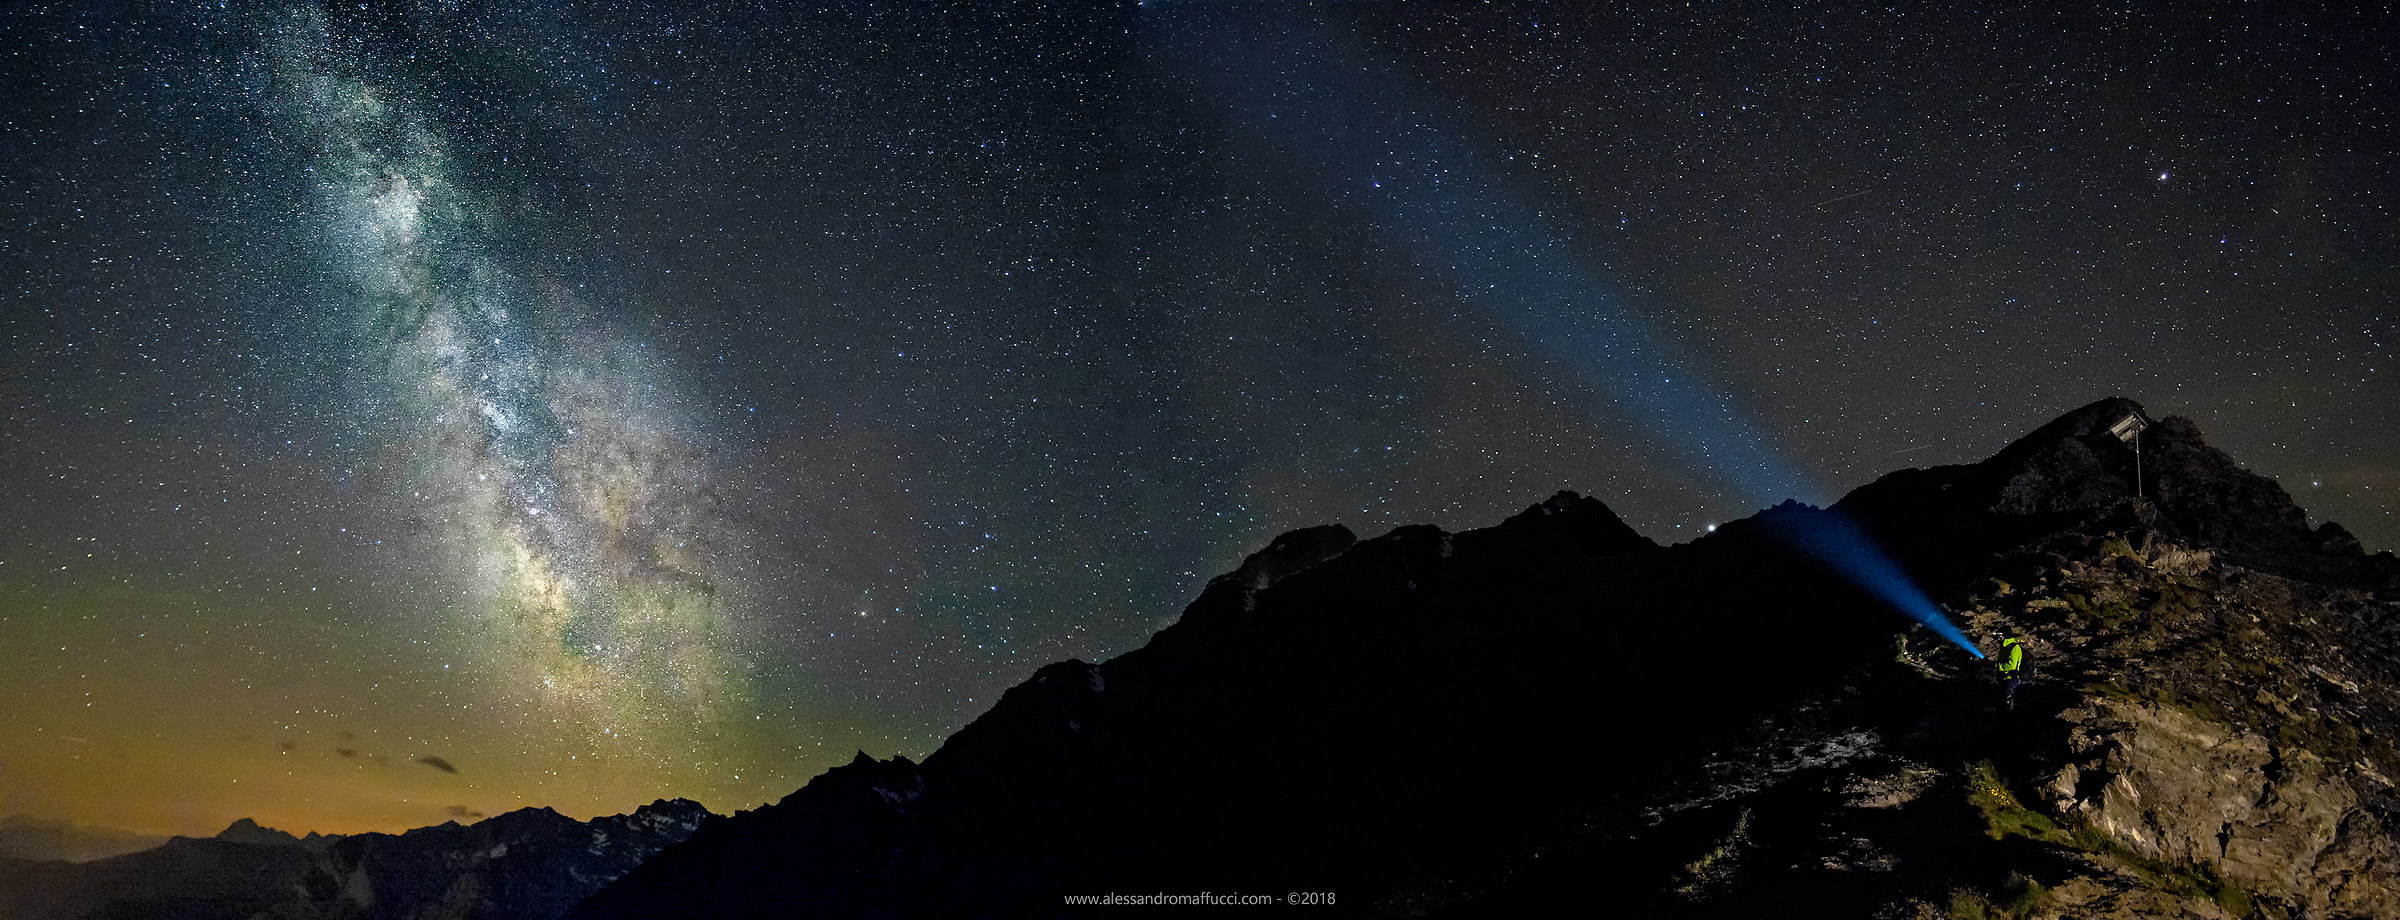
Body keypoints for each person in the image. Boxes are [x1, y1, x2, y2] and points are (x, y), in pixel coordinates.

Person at [1996, 636, 2025, 710]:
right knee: (2001, 703)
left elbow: (2011, 665)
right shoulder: (2005, 647)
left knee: (2008, 703)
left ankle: (2008, 719)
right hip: (2004, 679)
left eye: (1999, 636)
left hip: (2010, 679)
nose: (1997, 638)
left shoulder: (2014, 647)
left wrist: (1997, 666)